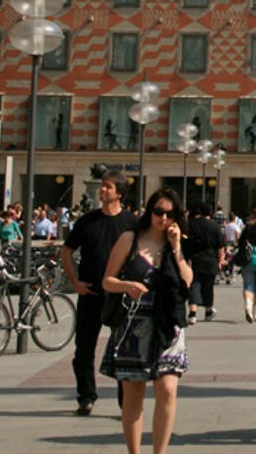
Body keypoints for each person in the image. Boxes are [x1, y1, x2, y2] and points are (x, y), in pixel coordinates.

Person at [100, 188, 193, 454]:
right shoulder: (129, 239)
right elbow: (108, 280)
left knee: (167, 388)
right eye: (158, 212)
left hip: (167, 324)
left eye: (169, 213)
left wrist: (176, 248)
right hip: (133, 324)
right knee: (133, 393)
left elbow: (188, 280)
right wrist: (126, 284)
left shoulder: (177, 243)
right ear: (149, 211)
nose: (163, 218)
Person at [61, 171, 137, 416]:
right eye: (102, 186)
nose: (102, 190)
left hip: (120, 297)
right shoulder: (87, 221)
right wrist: (75, 282)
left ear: (120, 194)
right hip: (91, 292)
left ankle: (125, 403)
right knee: (83, 348)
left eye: (108, 187)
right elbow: (66, 251)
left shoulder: (132, 223)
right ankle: (86, 396)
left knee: (123, 351)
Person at [183, 202, 224, 324]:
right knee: (208, 286)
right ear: (210, 213)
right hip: (211, 259)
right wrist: (220, 260)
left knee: (194, 285)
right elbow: (220, 245)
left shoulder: (191, 225)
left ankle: (192, 313)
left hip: (194, 259)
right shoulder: (214, 226)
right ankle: (208, 310)